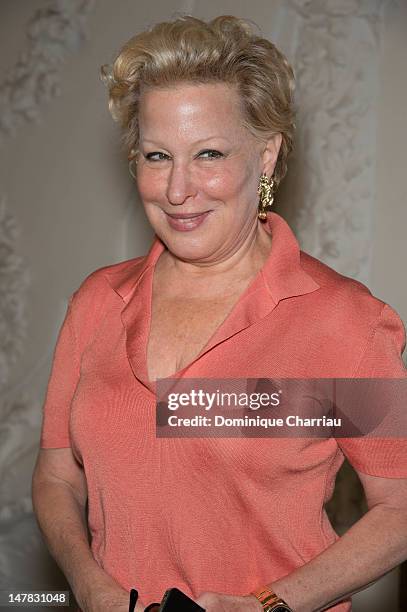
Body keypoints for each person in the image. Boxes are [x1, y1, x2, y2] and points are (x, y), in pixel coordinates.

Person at [31, 15, 407, 612]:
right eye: (157, 156)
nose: (177, 189)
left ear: (265, 156)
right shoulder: (97, 303)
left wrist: (268, 603)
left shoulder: (345, 322)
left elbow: (399, 508)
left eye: (208, 153)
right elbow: (56, 474)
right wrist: (87, 582)